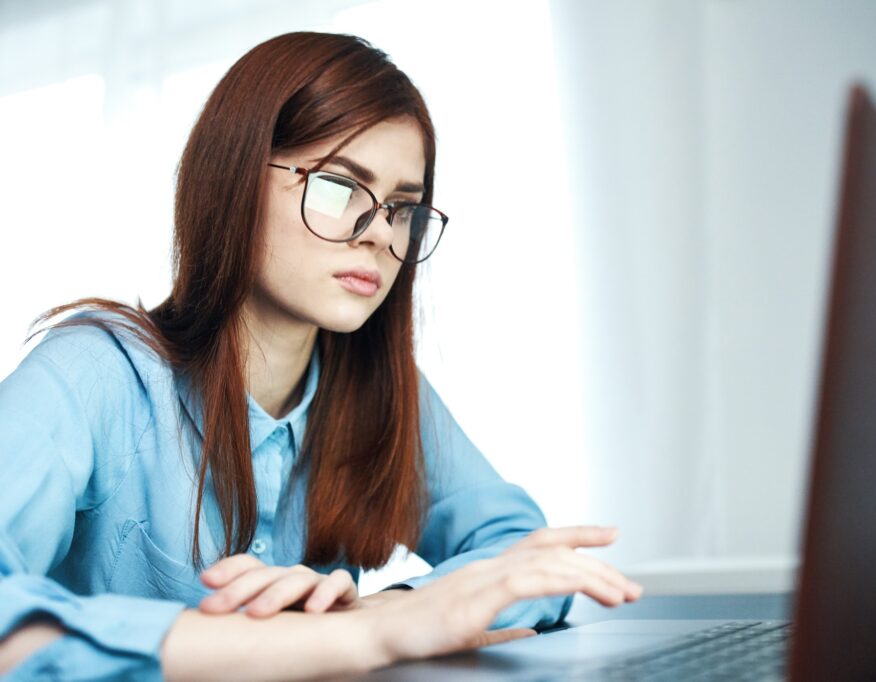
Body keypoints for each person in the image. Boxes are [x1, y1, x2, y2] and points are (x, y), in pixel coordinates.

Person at [0, 31, 641, 681]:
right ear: (234, 184)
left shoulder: (377, 389)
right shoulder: (96, 373)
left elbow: (520, 554)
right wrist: (332, 645)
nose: (377, 235)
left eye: (402, 209)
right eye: (339, 187)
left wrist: (389, 614)